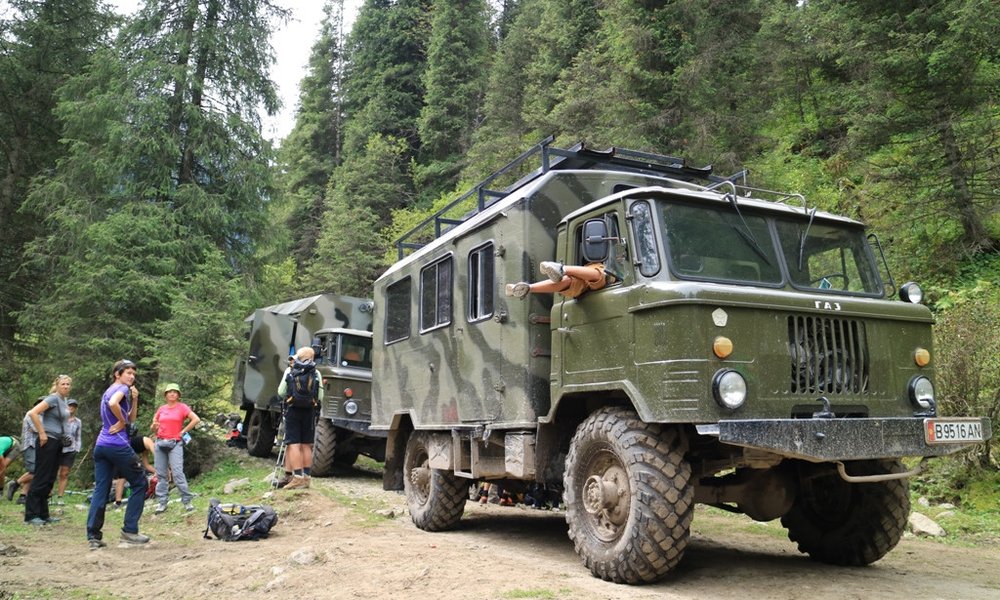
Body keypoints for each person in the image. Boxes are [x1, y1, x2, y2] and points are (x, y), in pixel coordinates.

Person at [86, 359, 149, 549]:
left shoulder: (109, 390)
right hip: (117, 445)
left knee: (101, 489)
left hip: (101, 445)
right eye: (128, 373)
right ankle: (130, 531)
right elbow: (117, 409)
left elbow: (132, 418)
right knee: (140, 482)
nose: (131, 377)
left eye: (133, 374)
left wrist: (135, 400)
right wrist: (122, 422)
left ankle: (93, 536)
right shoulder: (121, 389)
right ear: (118, 374)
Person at [24, 374, 73, 525]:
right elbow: (32, 413)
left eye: (68, 384)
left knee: (51, 477)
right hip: (47, 440)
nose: (65, 386)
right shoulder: (52, 398)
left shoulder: (63, 401)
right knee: (41, 476)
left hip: (58, 442)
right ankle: (31, 515)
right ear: (57, 385)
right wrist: (42, 433)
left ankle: (43, 514)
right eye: (63, 384)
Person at [277, 347, 323, 490]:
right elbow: (320, 397)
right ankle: (307, 477)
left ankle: (297, 477)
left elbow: (281, 392)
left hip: (293, 410)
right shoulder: (316, 373)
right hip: (309, 412)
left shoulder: (291, 370)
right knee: (306, 445)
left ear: (299, 357)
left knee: (293, 444)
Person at [150, 383, 200, 513]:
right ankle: (162, 503)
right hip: (160, 443)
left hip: (175, 443)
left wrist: (183, 431)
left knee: (177, 472)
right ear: (165, 395)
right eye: (169, 392)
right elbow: (153, 426)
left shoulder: (182, 407)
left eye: (175, 392)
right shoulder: (161, 409)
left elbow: (196, 419)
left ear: (178, 395)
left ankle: (187, 501)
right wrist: (154, 427)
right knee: (161, 474)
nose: (172, 394)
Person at [505, 260, 611, 299]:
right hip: (602, 273)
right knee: (601, 275)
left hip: (585, 282)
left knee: (570, 281)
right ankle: (561, 269)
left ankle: (529, 288)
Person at [54, 399, 82, 505]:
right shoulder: (60, 419)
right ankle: (48, 494)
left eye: (74, 406)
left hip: (70, 449)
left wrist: (77, 448)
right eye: (70, 405)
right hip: (58, 448)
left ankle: (60, 496)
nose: (71, 408)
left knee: (64, 473)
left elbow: (78, 436)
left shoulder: (78, 421)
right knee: (53, 471)